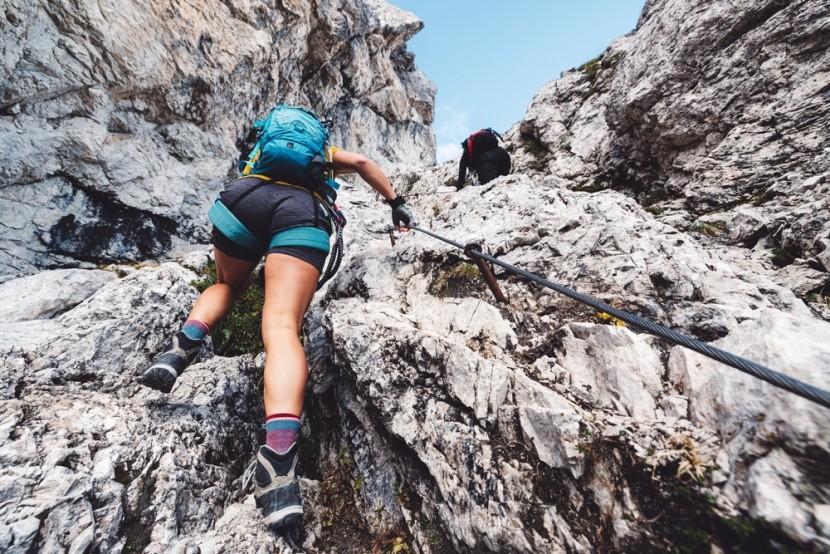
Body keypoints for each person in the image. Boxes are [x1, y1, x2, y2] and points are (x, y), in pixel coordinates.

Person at [136, 145, 417, 531]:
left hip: (243, 200)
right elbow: (364, 164)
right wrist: (396, 202)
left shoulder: (265, 151)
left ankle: (180, 348)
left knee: (227, 286)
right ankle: (278, 463)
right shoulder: (322, 152)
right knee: (282, 325)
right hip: (300, 213)